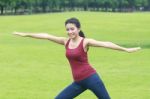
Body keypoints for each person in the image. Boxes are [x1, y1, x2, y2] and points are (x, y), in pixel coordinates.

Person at [13, 17, 141, 99]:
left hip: (92, 79)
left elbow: (106, 44)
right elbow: (46, 35)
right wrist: (26, 34)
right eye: (67, 29)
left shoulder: (85, 42)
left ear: (78, 29)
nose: (70, 32)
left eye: (72, 29)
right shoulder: (65, 41)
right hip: (78, 82)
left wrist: (126, 50)